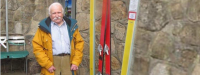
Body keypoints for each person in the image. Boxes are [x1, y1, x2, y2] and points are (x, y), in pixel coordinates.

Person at [32, 2, 84, 75]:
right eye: (54, 13)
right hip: (51, 61)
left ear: (63, 13)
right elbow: (37, 47)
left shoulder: (71, 26)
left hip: (68, 61)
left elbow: (79, 43)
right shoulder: (43, 27)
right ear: (50, 15)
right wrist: (47, 64)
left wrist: (76, 62)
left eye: (59, 12)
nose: (57, 15)